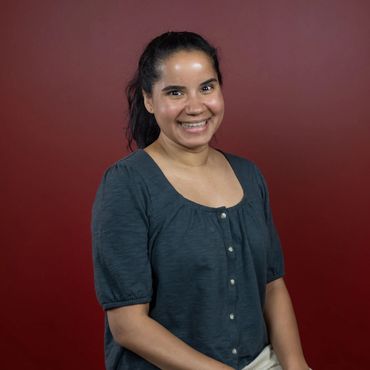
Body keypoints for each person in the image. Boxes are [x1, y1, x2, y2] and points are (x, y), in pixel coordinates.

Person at [92, 31, 311, 370]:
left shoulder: (249, 175)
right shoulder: (127, 184)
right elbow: (127, 325)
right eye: (175, 92)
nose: (196, 106)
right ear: (149, 100)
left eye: (207, 87)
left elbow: (272, 286)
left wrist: (296, 366)